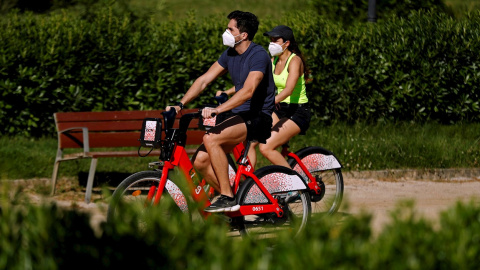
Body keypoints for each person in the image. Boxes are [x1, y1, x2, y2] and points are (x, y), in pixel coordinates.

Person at [166, 11, 275, 213]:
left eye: (230, 29)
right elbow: (205, 80)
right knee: (200, 161)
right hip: (240, 116)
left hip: (258, 117)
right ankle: (238, 198)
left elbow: (248, 91)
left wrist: (217, 110)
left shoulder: (258, 55)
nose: (225, 32)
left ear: (243, 35)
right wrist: (180, 104)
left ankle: (228, 197)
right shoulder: (230, 54)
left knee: (211, 139)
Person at [217, 25, 311, 168]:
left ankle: (294, 184)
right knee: (250, 139)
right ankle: (249, 181)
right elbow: (252, 83)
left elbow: (289, 90)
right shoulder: (272, 60)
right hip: (278, 109)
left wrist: (269, 102)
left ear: (287, 43)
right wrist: (227, 92)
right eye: (271, 39)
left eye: (276, 40)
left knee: (266, 147)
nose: (272, 43)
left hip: (297, 111)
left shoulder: (295, 61)